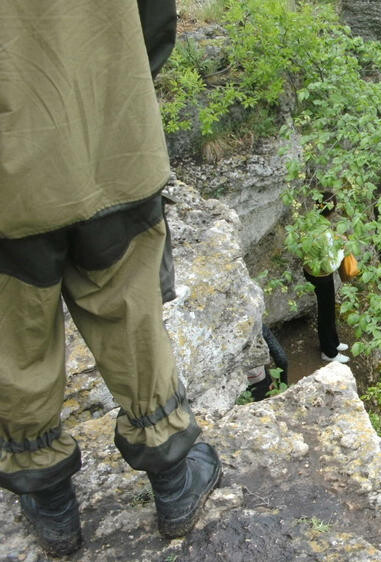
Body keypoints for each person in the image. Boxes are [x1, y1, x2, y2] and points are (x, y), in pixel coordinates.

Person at [0, 1, 221, 556]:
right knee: (131, 312)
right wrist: (114, 87)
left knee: (14, 339)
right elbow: (155, 21)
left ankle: (51, 505)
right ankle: (173, 487)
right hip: (112, 136)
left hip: (9, 175)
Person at [302, 193, 350, 363]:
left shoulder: (310, 220)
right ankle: (328, 352)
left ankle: (334, 342)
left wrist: (336, 238)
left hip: (310, 270)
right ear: (332, 210)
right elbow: (329, 265)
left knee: (327, 310)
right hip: (322, 276)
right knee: (326, 312)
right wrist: (342, 251)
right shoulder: (324, 234)